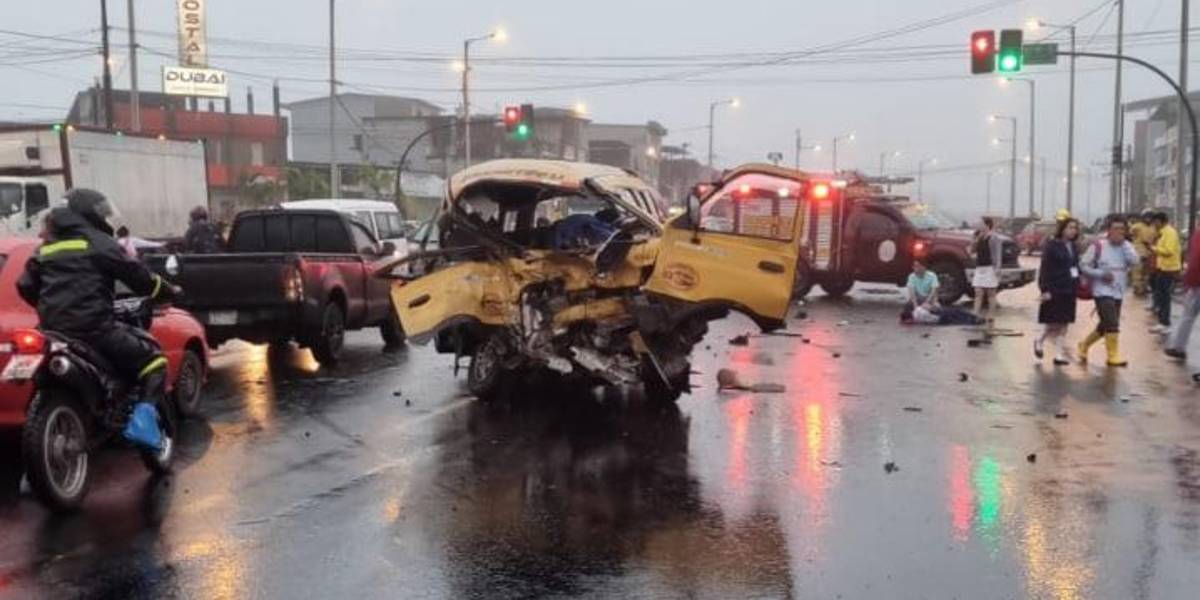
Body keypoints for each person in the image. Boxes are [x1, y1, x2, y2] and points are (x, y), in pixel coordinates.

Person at [16, 189, 179, 450]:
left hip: (52, 331)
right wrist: (168, 290)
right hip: (93, 329)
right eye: (102, 212)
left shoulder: (46, 247)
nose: (105, 217)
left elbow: (24, 285)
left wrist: (51, 306)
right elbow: (139, 277)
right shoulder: (99, 242)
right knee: (154, 361)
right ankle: (142, 424)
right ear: (86, 213)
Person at [1077, 215, 1139, 367]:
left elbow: (1135, 261)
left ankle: (1084, 344)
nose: (1119, 232)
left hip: (1118, 290)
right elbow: (1083, 265)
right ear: (1108, 230)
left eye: (1122, 229)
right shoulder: (1098, 245)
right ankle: (1113, 356)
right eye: (1116, 228)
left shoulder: (1126, 246)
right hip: (1101, 290)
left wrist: (1125, 244)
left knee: (1105, 324)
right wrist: (1101, 274)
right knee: (1112, 322)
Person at [1035, 218, 1081, 365]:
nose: (1073, 231)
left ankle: (1059, 355)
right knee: (1052, 322)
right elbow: (1045, 269)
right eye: (1070, 227)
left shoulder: (1074, 246)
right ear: (1062, 229)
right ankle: (1039, 340)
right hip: (1054, 288)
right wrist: (1045, 289)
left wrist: (1079, 280)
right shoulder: (1052, 246)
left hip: (1069, 288)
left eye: (1075, 228)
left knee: (1065, 322)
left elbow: (1076, 266)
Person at [1165, 226, 1200, 361]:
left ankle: (1179, 347)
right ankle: (1178, 347)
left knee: (1188, 316)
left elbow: (1196, 259)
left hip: (1197, 283)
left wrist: (1189, 280)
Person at [1148, 211, 1182, 335]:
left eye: (1155, 222)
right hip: (1163, 268)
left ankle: (1165, 323)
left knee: (1164, 296)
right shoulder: (1163, 232)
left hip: (1169, 269)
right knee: (1161, 294)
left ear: (1160, 221)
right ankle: (1162, 321)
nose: (1154, 224)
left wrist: (1154, 249)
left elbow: (1169, 251)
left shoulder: (1170, 233)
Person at [972, 216, 1003, 323]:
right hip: (979, 267)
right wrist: (975, 240)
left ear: (987, 225)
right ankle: (975, 314)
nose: (979, 225)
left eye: (981, 223)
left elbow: (997, 254)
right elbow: (972, 251)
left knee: (991, 293)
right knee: (978, 292)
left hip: (990, 267)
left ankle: (991, 315)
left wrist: (997, 268)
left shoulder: (994, 238)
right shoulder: (978, 236)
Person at [1130, 210, 1157, 297]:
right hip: (1139, 251)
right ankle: (1138, 289)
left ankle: (1144, 288)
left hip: (1149, 252)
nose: (1148, 219)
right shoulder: (1137, 226)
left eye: (1150, 217)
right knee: (1137, 271)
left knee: (1146, 273)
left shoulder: (1154, 227)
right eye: (1146, 217)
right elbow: (1130, 234)